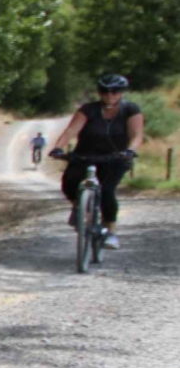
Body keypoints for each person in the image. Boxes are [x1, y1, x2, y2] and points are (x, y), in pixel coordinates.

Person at [48, 74, 144, 249]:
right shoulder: (88, 109)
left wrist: (130, 151)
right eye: (104, 91)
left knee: (107, 190)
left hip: (116, 157)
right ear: (99, 92)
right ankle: (79, 206)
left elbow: (136, 135)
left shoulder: (130, 109)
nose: (109, 95)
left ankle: (111, 232)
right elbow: (71, 130)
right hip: (85, 154)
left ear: (121, 92)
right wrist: (59, 147)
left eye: (115, 91)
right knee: (69, 183)